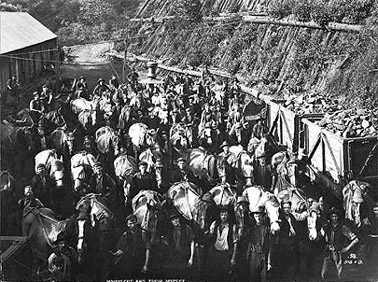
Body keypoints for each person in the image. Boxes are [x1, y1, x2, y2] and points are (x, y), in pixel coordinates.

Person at [321, 208, 359, 281]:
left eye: (336, 216)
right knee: (324, 273)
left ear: (338, 217)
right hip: (328, 253)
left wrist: (346, 248)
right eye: (332, 216)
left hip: (338, 253)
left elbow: (355, 239)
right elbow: (323, 237)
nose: (334, 218)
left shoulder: (343, 228)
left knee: (339, 274)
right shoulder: (327, 227)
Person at [110, 214, 151, 278]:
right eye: (130, 223)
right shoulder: (125, 234)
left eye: (134, 223)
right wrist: (116, 253)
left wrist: (146, 265)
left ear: (137, 222)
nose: (133, 225)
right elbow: (122, 249)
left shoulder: (143, 233)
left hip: (140, 261)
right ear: (127, 224)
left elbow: (147, 249)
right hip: (129, 263)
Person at [206, 207, 238, 281]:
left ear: (228, 216)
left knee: (225, 276)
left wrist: (233, 258)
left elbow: (235, 243)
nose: (223, 216)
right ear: (219, 216)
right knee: (215, 275)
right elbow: (210, 236)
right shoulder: (215, 224)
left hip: (226, 254)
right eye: (222, 214)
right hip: (216, 254)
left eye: (225, 215)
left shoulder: (232, 227)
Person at [244, 206, 273, 282]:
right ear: (253, 217)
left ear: (262, 216)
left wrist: (269, 262)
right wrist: (248, 258)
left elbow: (269, 246)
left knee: (264, 278)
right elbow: (249, 244)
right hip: (254, 256)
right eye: (256, 216)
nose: (258, 218)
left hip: (264, 256)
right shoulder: (251, 229)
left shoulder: (267, 229)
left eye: (259, 216)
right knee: (253, 278)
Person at [164, 210, 195, 278]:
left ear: (179, 219)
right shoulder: (170, 230)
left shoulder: (186, 228)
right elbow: (167, 243)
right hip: (174, 258)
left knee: (184, 276)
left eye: (176, 218)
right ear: (171, 221)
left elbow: (192, 242)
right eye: (173, 219)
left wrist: (191, 258)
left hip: (184, 257)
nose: (175, 220)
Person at [277, 200, 299, 282]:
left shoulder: (292, 217)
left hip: (293, 245)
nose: (286, 209)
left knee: (293, 265)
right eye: (284, 208)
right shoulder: (280, 218)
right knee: (284, 266)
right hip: (284, 246)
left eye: (288, 207)